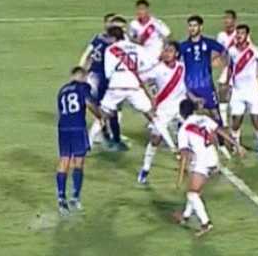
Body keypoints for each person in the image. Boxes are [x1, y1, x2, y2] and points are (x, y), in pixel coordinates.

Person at [173, 99, 243, 237]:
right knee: (195, 190)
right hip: (213, 158)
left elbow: (184, 154)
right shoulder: (204, 118)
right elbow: (220, 131)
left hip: (201, 161)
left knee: (192, 193)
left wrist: (180, 177)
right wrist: (236, 145)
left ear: (181, 113)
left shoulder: (183, 129)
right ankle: (185, 217)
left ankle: (206, 223)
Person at [102, 17, 165, 151]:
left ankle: (90, 142)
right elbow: (149, 64)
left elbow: (108, 73)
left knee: (103, 114)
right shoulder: (137, 47)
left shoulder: (110, 49)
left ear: (113, 38)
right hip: (134, 86)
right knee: (151, 115)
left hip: (116, 86)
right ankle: (172, 146)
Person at [137, 42, 189, 185]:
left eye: (170, 51)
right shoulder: (157, 69)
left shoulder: (183, 67)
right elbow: (140, 79)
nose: (166, 53)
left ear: (177, 54)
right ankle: (145, 168)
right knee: (155, 139)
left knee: (192, 134)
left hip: (181, 108)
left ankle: (198, 164)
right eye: (165, 50)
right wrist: (150, 96)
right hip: (164, 109)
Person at [55, 66, 99, 216]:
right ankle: (75, 197)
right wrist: (100, 116)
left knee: (64, 161)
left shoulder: (62, 90)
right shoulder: (83, 87)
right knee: (78, 162)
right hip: (78, 127)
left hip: (63, 128)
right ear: (82, 77)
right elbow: (89, 103)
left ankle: (61, 198)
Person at [224, 24, 258, 156]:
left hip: (252, 91)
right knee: (236, 119)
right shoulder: (232, 50)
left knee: (255, 118)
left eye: (242, 33)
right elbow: (230, 67)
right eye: (237, 33)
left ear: (247, 35)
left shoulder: (254, 50)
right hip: (237, 91)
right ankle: (236, 145)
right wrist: (228, 84)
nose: (239, 35)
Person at [180, 15, 227, 125]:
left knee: (215, 114)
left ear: (201, 27)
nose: (192, 28)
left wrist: (218, 62)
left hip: (206, 86)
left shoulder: (208, 43)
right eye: (190, 26)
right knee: (185, 115)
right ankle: (185, 139)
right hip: (189, 87)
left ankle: (221, 141)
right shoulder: (183, 46)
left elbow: (224, 51)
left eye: (195, 25)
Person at [80, 13, 119, 147]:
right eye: (110, 22)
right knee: (108, 110)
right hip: (101, 78)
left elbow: (86, 54)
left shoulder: (98, 38)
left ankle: (102, 135)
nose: (112, 24)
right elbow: (87, 54)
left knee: (104, 110)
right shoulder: (113, 42)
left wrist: (81, 69)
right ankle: (91, 140)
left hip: (95, 76)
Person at [216, 10, 238, 124]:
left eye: (228, 18)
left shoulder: (240, 34)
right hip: (228, 67)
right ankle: (224, 122)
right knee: (222, 91)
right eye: (225, 18)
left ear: (234, 20)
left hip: (240, 68)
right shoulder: (221, 35)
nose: (226, 20)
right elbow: (220, 53)